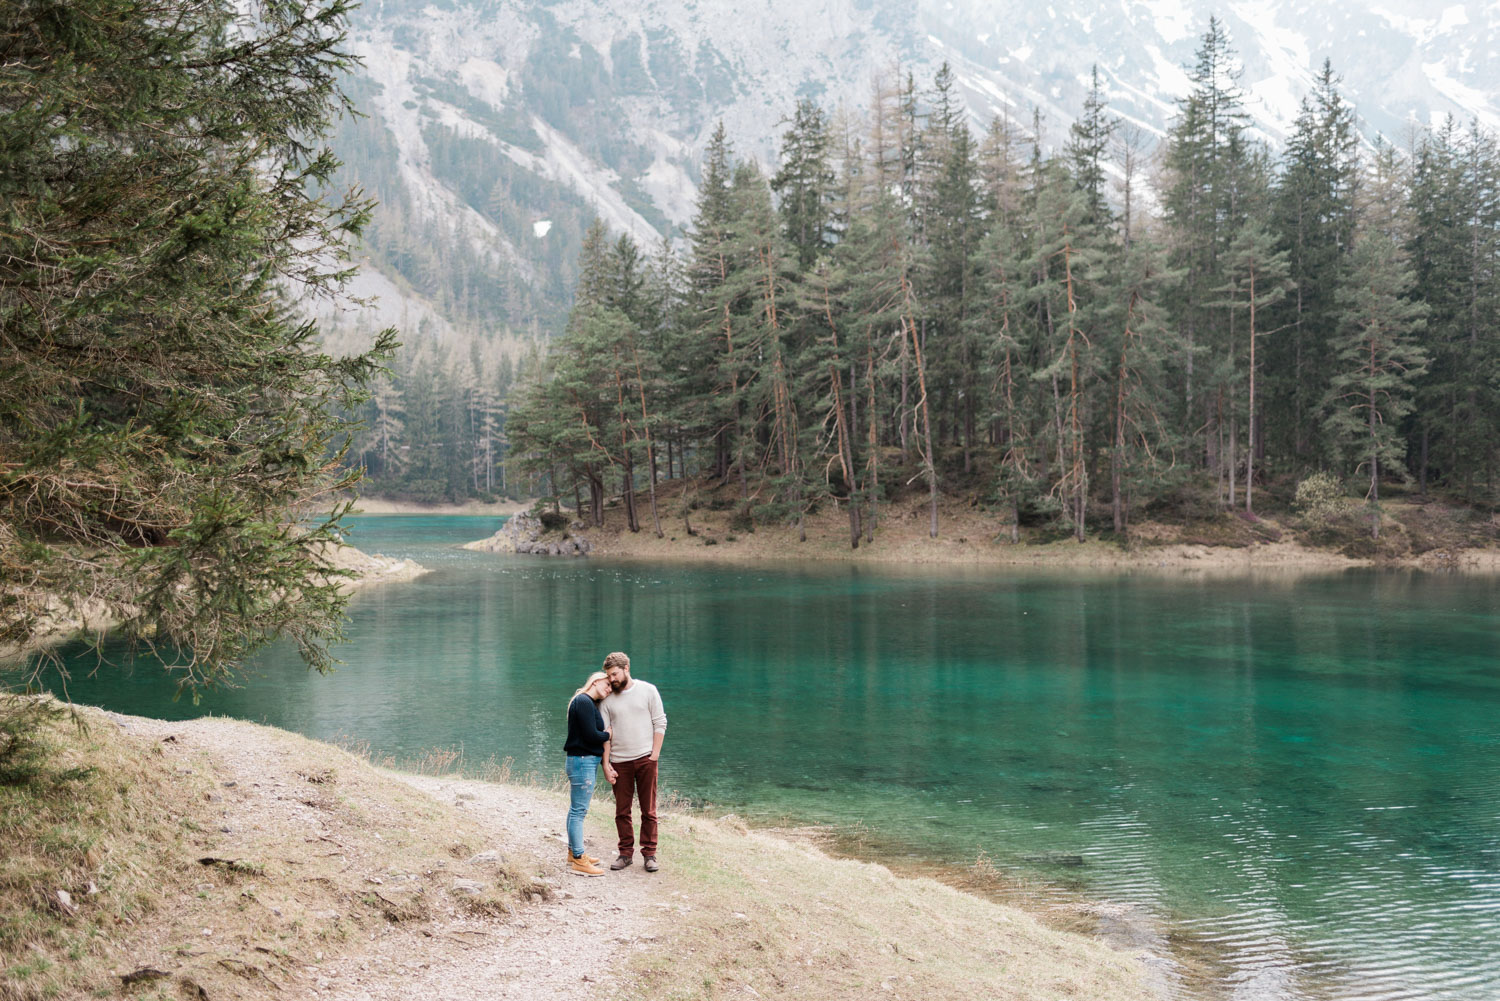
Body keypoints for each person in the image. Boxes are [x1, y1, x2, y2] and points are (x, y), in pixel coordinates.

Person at [599, 651, 667, 872]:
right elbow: (605, 735)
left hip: (646, 759)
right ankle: (625, 853)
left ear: (626, 669)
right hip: (620, 762)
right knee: (622, 811)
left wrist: (654, 755)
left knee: (649, 810)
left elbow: (660, 723)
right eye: (609, 675)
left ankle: (649, 855)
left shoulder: (648, 690)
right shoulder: (607, 699)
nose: (612, 679)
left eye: (615, 674)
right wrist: (606, 765)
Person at [563, 670, 612, 877]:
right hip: (582, 761)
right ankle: (579, 860)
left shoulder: (585, 702)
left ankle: (574, 853)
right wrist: (607, 734)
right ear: (596, 680)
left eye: (611, 687)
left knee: (576, 809)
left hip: (582, 761)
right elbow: (591, 735)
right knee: (579, 811)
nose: (609, 689)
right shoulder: (583, 701)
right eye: (607, 684)